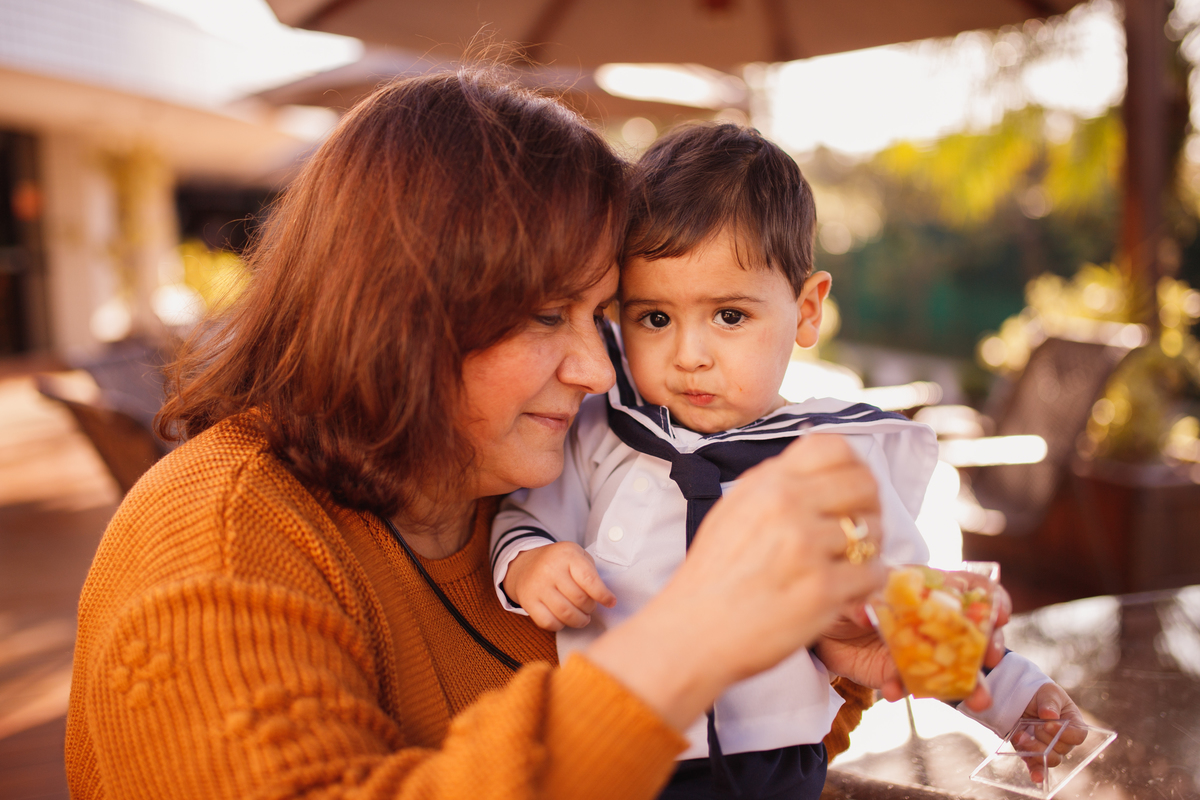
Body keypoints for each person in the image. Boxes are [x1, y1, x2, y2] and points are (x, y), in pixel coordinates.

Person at [64, 71, 920, 800]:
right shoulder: (222, 538)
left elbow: (675, 765)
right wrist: (685, 642)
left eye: (603, 317)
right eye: (549, 315)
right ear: (405, 314)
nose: (597, 368)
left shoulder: (524, 503)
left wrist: (822, 663)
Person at [490, 123, 1083, 799]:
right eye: (654, 318)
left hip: (778, 761)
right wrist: (531, 564)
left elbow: (911, 610)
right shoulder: (602, 432)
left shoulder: (836, 465)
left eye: (729, 317)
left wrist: (1011, 695)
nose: (689, 355)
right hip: (622, 753)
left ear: (806, 312)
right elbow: (520, 519)